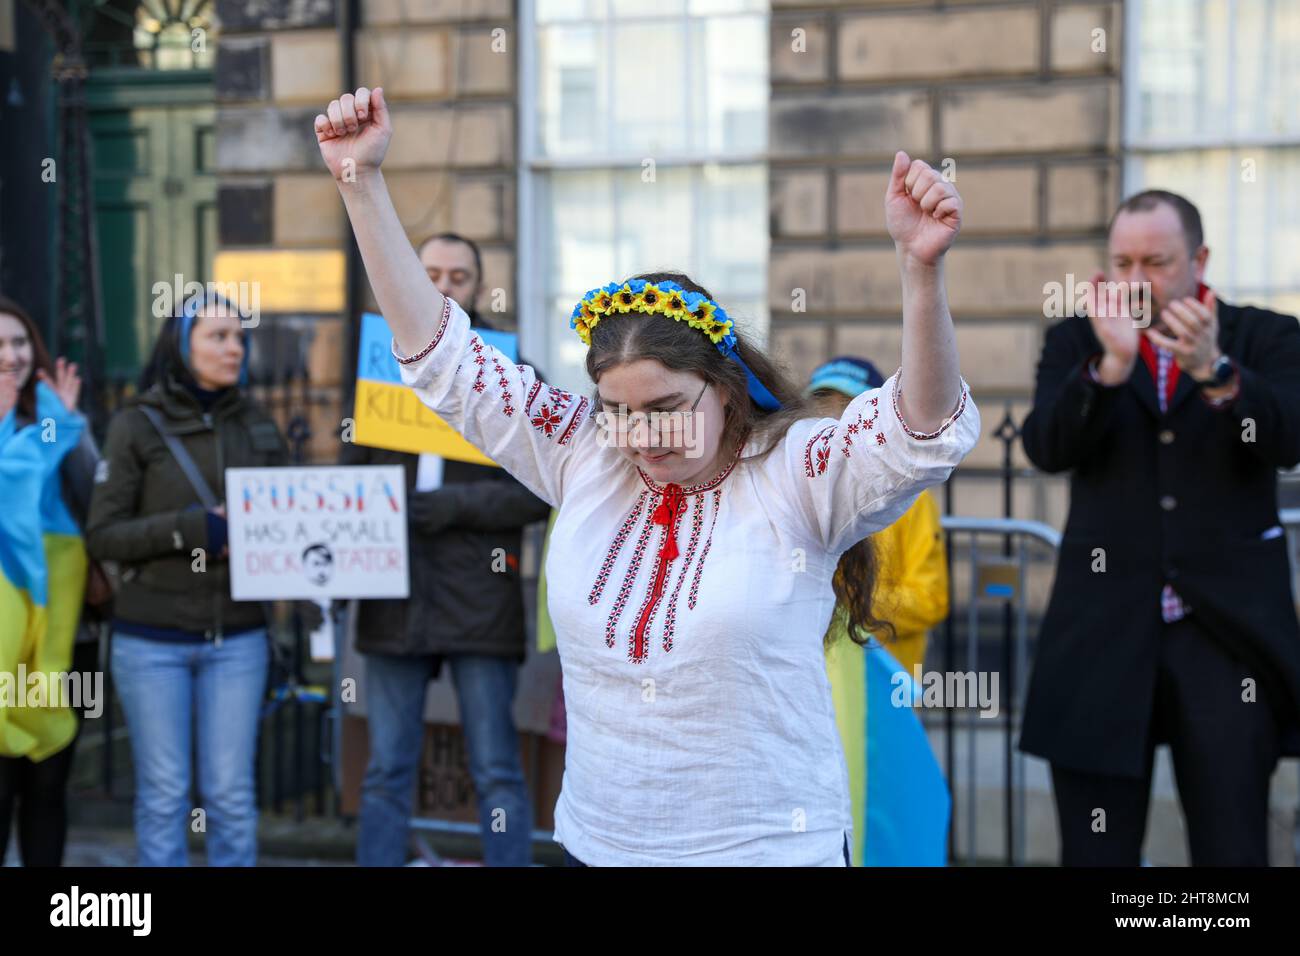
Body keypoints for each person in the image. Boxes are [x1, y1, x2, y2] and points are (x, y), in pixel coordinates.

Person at [315, 86, 980, 865]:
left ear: (726, 388)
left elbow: (920, 430)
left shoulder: (796, 472)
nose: (641, 437)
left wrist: (920, 272)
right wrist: (360, 184)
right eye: (617, 410)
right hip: (605, 844)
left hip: (767, 849)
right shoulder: (586, 453)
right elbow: (444, 361)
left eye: (664, 406)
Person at [1019, 189, 1300, 866]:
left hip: (1226, 637)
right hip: (1103, 633)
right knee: (1097, 853)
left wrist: (1217, 373)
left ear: (1198, 259)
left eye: (1156, 260)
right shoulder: (1074, 341)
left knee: (1233, 850)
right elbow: (1046, 449)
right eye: (1122, 261)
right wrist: (1110, 369)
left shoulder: (1264, 335)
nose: (1137, 279)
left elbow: (1288, 440)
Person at [348, 232, 551, 867]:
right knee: (386, 768)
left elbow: (539, 490)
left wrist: (452, 510)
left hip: (478, 598)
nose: (442, 285)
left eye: (458, 276)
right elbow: (348, 480)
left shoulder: (512, 371)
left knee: (495, 766)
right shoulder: (377, 363)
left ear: (477, 285)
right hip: (394, 593)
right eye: (430, 271)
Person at [86, 291, 290, 866]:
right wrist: (188, 528)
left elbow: (292, 517)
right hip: (152, 639)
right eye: (218, 337)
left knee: (229, 794)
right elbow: (103, 535)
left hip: (239, 638)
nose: (235, 348)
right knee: (165, 794)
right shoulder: (136, 424)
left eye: (240, 338)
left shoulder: (257, 422)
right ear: (181, 345)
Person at [0, 295, 100, 866]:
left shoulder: (52, 418)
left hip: (64, 635)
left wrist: (67, 430)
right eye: (0, 345)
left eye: (19, 342)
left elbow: (95, 503)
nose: (11, 354)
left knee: (45, 788)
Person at [806, 356, 949, 676]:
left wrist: (844, 604)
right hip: (815, 678)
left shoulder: (911, 497)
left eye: (847, 407)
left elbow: (929, 598)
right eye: (822, 406)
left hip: (883, 680)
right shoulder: (799, 489)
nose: (833, 419)